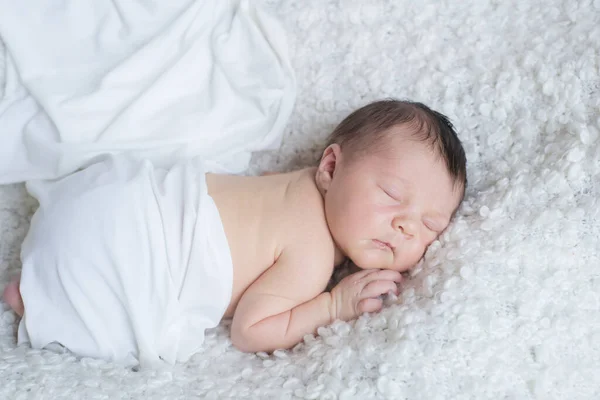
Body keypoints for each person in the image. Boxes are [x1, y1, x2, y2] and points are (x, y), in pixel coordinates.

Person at [2, 99, 467, 365]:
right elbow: (250, 331)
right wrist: (334, 304)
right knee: (131, 321)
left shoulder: (290, 185)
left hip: (110, 195)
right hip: (141, 240)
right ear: (330, 166)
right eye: (390, 193)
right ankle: (48, 307)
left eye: (430, 225)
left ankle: (48, 284)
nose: (407, 225)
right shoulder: (312, 253)